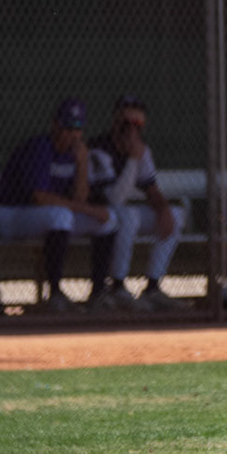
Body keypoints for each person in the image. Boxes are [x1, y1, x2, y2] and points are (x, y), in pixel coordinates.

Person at [0, 98, 117, 311]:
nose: (72, 134)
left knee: (109, 220)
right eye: (67, 127)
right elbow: (39, 198)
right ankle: (55, 294)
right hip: (11, 214)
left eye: (77, 128)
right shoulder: (40, 148)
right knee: (61, 216)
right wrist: (89, 210)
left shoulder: (76, 154)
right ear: (55, 125)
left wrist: (82, 163)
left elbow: (79, 198)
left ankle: (98, 292)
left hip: (48, 217)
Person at [86, 95, 190, 311]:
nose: (132, 131)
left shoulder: (142, 150)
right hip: (97, 213)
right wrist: (133, 159)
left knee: (175, 214)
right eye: (127, 124)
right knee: (129, 215)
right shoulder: (99, 149)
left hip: (120, 214)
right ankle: (118, 285)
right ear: (115, 121)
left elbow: (151, 189)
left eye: (138, 125)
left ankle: (153, 286)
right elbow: (114, 198)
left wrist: (163, 209)